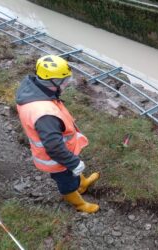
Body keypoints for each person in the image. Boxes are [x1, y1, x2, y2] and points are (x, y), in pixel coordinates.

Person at [16, 55, 100, 213]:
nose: (67, 84)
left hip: (64, 152)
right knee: (67, 183)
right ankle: (79, 204)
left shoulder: (35, 89)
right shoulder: (45, 114)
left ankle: (82, 184)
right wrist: (72, 163)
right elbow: (54, 147)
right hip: (56, 160)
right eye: (64, 81)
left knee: (73, 172)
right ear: (52, 81)